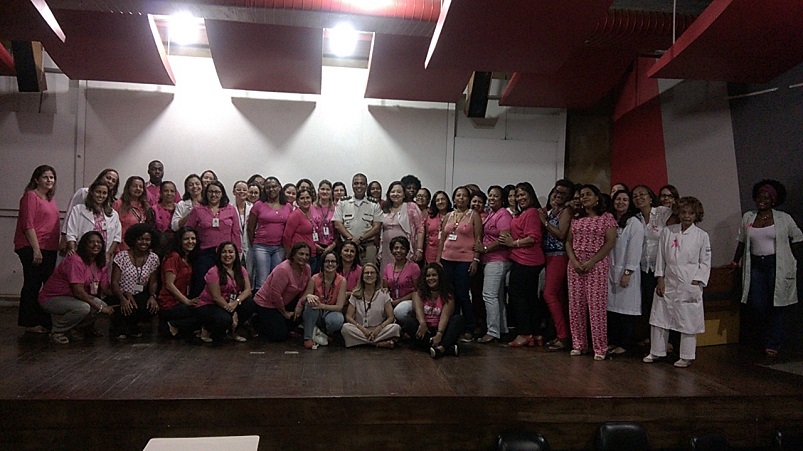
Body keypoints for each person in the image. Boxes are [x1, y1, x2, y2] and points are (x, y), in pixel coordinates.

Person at [732, 180, 803, 357]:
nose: (761, 201)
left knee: (777, 303)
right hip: (756, 265)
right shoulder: (749, 217)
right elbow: (742, 241)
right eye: (759, 197)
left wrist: (796, 260)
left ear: (773, 200)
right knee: (758, 304)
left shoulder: (783, 218)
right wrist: (735, 261)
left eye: (766, 198)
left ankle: (773, 342)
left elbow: (797, 238)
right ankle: (763, 337)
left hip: (776, 264)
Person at [644, 197, 711, 368]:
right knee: (659, 317)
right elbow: (661, 257)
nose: (687, 216)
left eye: (691, 213)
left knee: (688, 319)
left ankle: (686, 356)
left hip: (689, 281)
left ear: (696, 215)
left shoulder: (702, 236)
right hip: (668, 279)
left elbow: (705, 261)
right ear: (678, 214)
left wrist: (698, 280)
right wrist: (660, 278)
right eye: (683, 212)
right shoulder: (668, 232)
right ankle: (656, 351)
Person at [565, 185, 618, 360]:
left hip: (597, 265)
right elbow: (568, 241)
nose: (584, 197)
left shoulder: (607, 218)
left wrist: (592, 261)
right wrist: (574, 261)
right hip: (575, 265)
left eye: (588, 194)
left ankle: (600, 348)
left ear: (597, 198)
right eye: (582, 195)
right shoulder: (576, 217)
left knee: (596, 307)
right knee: (576, 306)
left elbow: (610, 242)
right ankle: (579, 344)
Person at [38, 231, 113, 344]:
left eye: (99, 242)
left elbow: (106, 288)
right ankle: (57, 331)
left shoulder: (100, 263)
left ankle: (74, 329)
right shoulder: (75, 261)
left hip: (75, 298)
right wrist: (100, 308)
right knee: (84, 308)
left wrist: (123, 292)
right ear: (84, 245)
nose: (96, 245)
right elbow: (78, 292)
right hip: (53, 298)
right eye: (91, 242)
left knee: (101, 305)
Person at [14, 165, 60, 334]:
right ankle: (29, 322)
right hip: (32, 247)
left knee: (47, 285)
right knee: (32, 284)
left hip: (49, 248)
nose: (49, 180)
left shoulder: (50, 198)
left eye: (52, 177)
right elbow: (28, 225)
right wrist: (36, 249)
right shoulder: (30, 196)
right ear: (36, 179)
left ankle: (44, 320)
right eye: (45, 177)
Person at [499, 182, 545, 348]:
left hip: (526, 260)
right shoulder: (524, 213)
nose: (520, 198)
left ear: (531, 195)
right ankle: (535, 333)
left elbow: (533, 237)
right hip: (524, 260)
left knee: (517, 296)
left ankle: (525, 333)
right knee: (530, 297)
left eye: (523, 194)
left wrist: (513, 243)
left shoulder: (531, 212)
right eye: (517, 195)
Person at [436, 185, 482, 342]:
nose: (461, 198)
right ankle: (453, 326)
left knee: (462, 294)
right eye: (458, 195)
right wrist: (438, 260)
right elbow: (442, 239)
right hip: (447, 259)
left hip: (465, 260)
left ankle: (469, 327)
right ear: (454, 199)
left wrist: (476, 259)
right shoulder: (449, 215)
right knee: (449, 294)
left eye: (464, 196)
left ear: (468, 199)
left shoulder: (474, 215)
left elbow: (478, 239)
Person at [632, 184, 675, 344]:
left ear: (651, 197)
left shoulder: (662, 212)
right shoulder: (635, 218)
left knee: (664, 305)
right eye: (635, 196)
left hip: (663, 267)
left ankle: (669, 341)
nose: (639, 198)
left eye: (642, 194)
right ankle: (652, 340)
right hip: (643, 268)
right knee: (648, 304)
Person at [185, 181, 242, 298]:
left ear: (222, 194)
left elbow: (236, 232)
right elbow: (188, 230)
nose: (213, 195)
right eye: (210, 191)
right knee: (200, 282)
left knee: (225, 283)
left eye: (217, 192)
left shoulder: (231, 209)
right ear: (206, 193)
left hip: (225, 253)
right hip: (204, 253)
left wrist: (237, 252)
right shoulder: (198, 209)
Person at [398, 263, 465, 358]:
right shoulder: (418, 293)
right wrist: (423, 324)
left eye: (434, 275)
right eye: (428, 276)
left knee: (458, 320)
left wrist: (439, 333)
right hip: (425, 330)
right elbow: (418, 311)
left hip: (441, 329)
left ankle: (440, 348)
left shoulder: (447, 294)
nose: (431, 278)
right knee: (408, 322)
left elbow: (445, 316)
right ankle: (446, 348)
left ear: (440, 277)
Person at [607, 189, 644, 355]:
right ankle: (614, 341)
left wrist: (627, 273)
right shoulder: (610, 220)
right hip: (610, 270)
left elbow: (634, 250)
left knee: (626, 312)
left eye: (625, 200)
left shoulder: (634, 223)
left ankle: (625, 344)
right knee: (612, 311)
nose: (620, 202)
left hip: (626, 272)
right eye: (618, 199)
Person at [195, 241, 255, 342]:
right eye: (224, 252)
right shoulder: (213, 272)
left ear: (236, 254)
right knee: (225, 319)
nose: (227, 255)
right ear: (219, 255)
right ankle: (208, 329)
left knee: (249, 303)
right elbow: (216, 297)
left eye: (230, 252)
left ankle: (233, 331)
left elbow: (248, 290)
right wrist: (233, 312)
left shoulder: (241, 269)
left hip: (231, 302)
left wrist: (236, 302)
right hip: (210, 304)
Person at [474, 185, 513, 344]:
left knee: (489, 295)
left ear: (502, 199)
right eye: (490, 195)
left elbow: (503, 238)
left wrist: (485, 249)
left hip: (498, 260)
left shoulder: (503, 215)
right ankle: (502, 329)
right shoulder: (492, 213)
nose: (491, 198)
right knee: (497, 297)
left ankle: (492, 331)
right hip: (490, 260)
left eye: (495, 196)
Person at [539, 180, 574, 351]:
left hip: (559, 256)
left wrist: (545, 222)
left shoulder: (566, 211)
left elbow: (561, 234)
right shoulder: (554, 209)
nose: (558, 195)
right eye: (557, 191)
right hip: (548, 256)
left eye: (563, 193)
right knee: (558, 297)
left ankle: (563, 336)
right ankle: (562, 334)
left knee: (549, 294)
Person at [109, 224, 160, 339]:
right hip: (120, 294)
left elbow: (153, 281)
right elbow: (114, 283)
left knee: (149, 307)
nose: (144, 242)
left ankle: (134, 325)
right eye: (140, 239)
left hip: (141, 294)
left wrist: (152, 296)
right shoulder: (121, 256)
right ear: (133, 239)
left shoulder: (153, 258)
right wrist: (123, 299)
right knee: (125, 308)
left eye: (147, 239)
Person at [252, 242, 311, 342]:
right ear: (293, 255)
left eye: (307, 255)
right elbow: (275, 295)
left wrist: (299, 306)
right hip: (267, 303)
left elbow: (305, 291)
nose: (304, 257)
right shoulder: (283, 269)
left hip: (287, 301)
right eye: (301, 254)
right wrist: (284, 313)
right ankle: (256, 321)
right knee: (279, 336)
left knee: (297, 318)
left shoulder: (307, 269)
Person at [294, 250, 346, 349]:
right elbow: (304, 299)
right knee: (310, 304)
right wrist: (308, 297)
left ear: (337, 264)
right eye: (327, 261)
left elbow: (339, 307)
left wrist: (321, 306)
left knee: (337, 320)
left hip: (330, 311)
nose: (330, 264)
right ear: (322, 263)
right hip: (316, 312)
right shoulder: (314, 278)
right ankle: (308, 337)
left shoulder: (342, 281)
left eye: (333, 261)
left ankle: (326, 333)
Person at [248, 176, 293, 291]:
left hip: (279, 248)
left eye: (274, 186)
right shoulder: (258, 205)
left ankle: (272, 301)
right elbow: (250, 228)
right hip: (261, 247)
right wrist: (254, 244)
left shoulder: (288, 206)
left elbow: (290, 228)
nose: (271, 189)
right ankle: (259, 302)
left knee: (275, 279)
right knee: (262, 280)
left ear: (279, 188)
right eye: (268, 187)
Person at [341, 263, 400, 348]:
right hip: (360, 329)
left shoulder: (383, 293)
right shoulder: (355, 294)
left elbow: (391, 317)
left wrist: (379, 328)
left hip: (379, 329)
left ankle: (363, 342)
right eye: (366, 273)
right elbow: (348, 316)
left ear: (377, 276)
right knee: (345, 328)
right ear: (362, 276)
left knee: (396, 328)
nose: (369, 275)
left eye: (372, 273)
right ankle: (377, 343)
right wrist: (363, 329)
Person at [158, 227, 201, 338]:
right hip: (169, 303)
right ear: (179, 241)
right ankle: (172, 325)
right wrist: (187, 301)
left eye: (193, 238)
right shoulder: (173, 257)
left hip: (180, 301)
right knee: (201, 314)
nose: (190, 242)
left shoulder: (188, 258)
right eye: (186, 239)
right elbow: (169, 284)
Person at [64, 180, 122, 263]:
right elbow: (71, 233)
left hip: (103, 256)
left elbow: (117, 237)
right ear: (91, 192)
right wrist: (72, 249)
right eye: (98, 192)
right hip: (81, 254)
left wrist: (109, 254)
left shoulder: (113, 214)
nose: (101, 196)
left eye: (104, 193)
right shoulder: (78, 209)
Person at [333, 173, 383, 266]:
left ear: (366, 186)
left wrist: (360, 239)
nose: (359, 186)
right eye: (356, 183)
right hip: (347, 246)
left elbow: (377, 227)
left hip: (367, 247)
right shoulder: (343, 202)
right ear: (352, 185)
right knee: (346, 271)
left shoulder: (374, 204)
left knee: (369, 272)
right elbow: (338, 224)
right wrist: (352, 241)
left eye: (362, 183)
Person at [379, 181, 425, 266]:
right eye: (393, 192)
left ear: (404, 195)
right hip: (386, 248)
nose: (395, 194)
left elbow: (420, 229)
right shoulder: (385, 208)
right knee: (387, 271)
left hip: (404, 249)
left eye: (399, 192)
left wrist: (419, 249)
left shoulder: (411, 207)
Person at [382, 236, 421, 321]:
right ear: (391, 251)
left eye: (402, 248)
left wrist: (398, 301)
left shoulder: (414, 267)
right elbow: (385, 289)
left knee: (399, 311)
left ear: (407, 251)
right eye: (396, 248)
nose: (398, 251)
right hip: (391, 300)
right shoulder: (388, 267)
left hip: (409, 300)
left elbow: (417, 291)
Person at [283, 188, 319, 272]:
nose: (305, 200)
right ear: (297, 201)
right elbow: (286, 237)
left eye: (308, 198)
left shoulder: (311, 213)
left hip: (312, 254)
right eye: (302, 198)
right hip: (299, 257)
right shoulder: (295, 215)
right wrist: (290, 256)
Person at [113, 176, 150, 253]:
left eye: (141, 187)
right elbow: (113, 228)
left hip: (141, 248)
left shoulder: (146, 206)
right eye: (134, 186)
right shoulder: (119, 204)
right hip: (122, 247)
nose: (138, 189)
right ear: (128, 188)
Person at [147, 181, 178, 257]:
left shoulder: (180, 208)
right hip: (158, 248)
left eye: (172, 191)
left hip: (177, 248)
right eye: (166, 191)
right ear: (160, 193)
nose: (169, 193)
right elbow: (150, 230)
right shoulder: (153, 210)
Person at [311, 179, 338, 260]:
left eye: (327, 189)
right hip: (314, 246)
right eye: (322, 189)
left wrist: (332, 246)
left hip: (332, 247)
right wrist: (314, 245)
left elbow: (338, 230)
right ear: (318, 191)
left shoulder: (337, 208)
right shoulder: (310, 207)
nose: (325, 192)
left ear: (331, 192)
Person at [424, 190, 452, 264]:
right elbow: (427, 235)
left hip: (449, 252)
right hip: (431, 252)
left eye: (443, 199)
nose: (440, 202)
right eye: (437, 200)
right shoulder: (430, 216)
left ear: (447, 201)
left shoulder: (453, 215)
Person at [231, 180, 253, 268]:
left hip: (249, 245)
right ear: (233, 192)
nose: (241, 192)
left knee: (250, 272)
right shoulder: (229, 208)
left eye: (244, 190)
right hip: (234, 245)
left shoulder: (252, 208)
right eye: (238, 189)